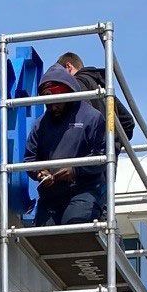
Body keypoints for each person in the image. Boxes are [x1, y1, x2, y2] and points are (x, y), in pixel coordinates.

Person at [24, 64, 108, 226]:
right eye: (48, 103)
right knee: (43, 237)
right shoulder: (40, 125)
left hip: (85, 190)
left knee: (73, 225)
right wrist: (40, 173)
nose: (53, 107)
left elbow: (101, 156)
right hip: (51, 195)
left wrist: (75, 170)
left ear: (68, 94)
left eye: (57, 102)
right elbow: (30, 159)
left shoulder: (91, 117)